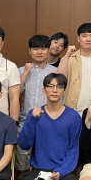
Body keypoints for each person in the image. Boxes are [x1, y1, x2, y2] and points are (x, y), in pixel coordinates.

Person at [16, 34, 57, 171]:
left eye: (43, 48)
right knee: (22, 159)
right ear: (30, 51)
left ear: (48, 50)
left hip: (48, 122)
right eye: (35, 48)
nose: (39, 52)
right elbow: (15, 93)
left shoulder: (55, 72)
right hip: (25, 122)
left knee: (45, 160)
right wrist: (26, 73)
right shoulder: (20, 71)